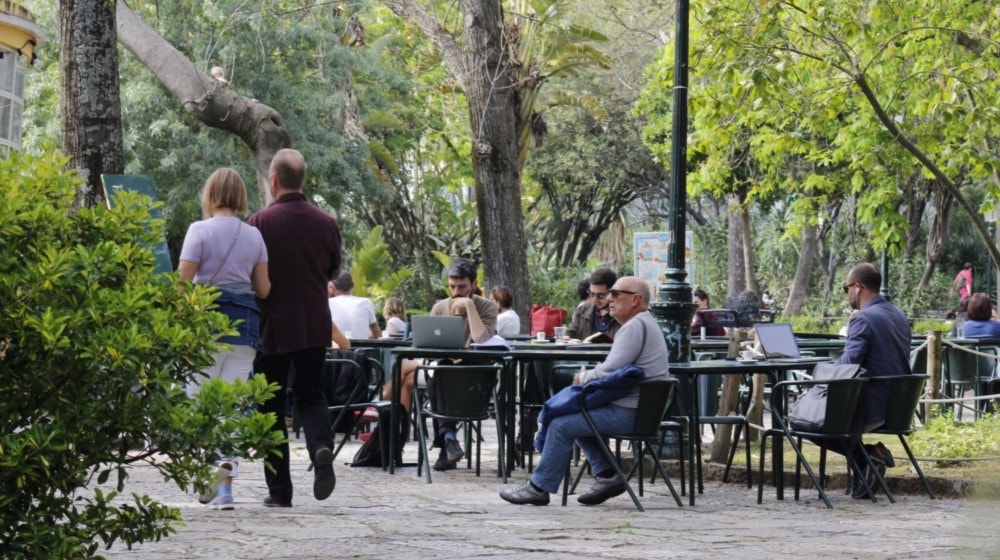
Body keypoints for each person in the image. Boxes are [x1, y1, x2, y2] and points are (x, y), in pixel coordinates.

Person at [499, 276, 670, 506]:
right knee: (576, 415)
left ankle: (539, 487)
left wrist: (581, 377)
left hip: (631, 413)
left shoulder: (634, 326)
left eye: (616, 293)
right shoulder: (643, 323)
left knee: (562, 424)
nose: (610, 299)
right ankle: (608, 475)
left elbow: (610, 370)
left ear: (635, 300)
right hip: (640, 411)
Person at [247, 148, 341, 508]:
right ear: (302, 180)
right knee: (311, 395)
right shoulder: (326, 222)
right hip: (314, 323)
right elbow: (333, 270)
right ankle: (321, 447)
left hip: (271, 326)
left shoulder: (259, 223)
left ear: (273, 180)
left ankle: (280, 491)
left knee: (270, 406)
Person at [177, 167, 270, 511]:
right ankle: (226, 489)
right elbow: (263, 288)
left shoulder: (198, 231)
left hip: (206, 329)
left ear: (210, 194)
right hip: (245, 327)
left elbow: (182, 283)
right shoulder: (254, 236)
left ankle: (207, 474)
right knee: (231, 409)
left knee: (200, 404)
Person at [386, 258, 498, 471]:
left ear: (474, 285)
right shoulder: (439, 307)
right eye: (452, 286)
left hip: (477, 373)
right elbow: (426, 347)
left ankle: (446, 444)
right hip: (446, 372)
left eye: (462, 287)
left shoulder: (487, 307)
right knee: (439, 370)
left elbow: (482, 339)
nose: (456, 292)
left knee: (438, 375)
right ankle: (449, 439)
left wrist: (469, 306)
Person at [834, 263, 911, 499]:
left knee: (801, 421)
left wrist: (820, 372)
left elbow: (847, 366)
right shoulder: (899, 314)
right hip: (898, 405)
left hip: (870, 406)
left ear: (858, 287)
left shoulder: (862, 318)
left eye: (845, 288)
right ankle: (868, 462)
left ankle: (868, 456)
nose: (846, 293)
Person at [567, 268, 621, 340]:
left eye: (600, 296)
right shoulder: (583, 309)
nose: (595, 300)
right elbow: (571, 333)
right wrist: (566, 338)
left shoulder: (623, 314)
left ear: (613, 292)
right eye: (592, 294)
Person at [328, 270, 382, 340]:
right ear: (353, 285)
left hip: (335, 349)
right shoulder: (366, 302)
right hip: (360, 350)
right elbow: (377, 334)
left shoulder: (326, 304)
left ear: (332, 287)